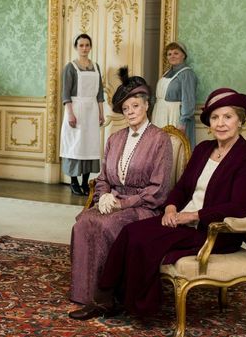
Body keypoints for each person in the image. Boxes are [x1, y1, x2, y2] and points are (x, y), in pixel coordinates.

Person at [71, 88, 246, 320]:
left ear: (240, 120)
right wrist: (171, 207)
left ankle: (138, 305)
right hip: (182, 220)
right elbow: (181, 188)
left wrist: (192, 216)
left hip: (214, 230)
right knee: (131, 232)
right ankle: (107, 298)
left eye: (227, 117)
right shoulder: (203, 149)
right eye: (215, 118)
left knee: (145, 242)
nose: (220, 123)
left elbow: (238, 207)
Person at [68, 68, 173, 315]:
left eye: (135, 106)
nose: (130, 112)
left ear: (146, 106)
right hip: (112, 201)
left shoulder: (160, 139)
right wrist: (104, 196)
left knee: (106, 226)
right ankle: (84, 294)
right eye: (126, 109)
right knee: (83, 222)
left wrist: (123, 204)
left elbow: (158, 189)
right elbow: (103, 178)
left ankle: (107, 297)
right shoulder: (114, 139)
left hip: (143, 208)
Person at [59, 33, 105, 196]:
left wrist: (101, 113)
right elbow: (66, 94)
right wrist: (70, 114)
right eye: (81, 45)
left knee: (89, 145)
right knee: (75, 145)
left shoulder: (96, 67)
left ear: (90, 47)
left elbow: (100, 93)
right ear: (76, 47)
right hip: (76, 109)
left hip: (92, 110)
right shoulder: (70, 67)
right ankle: (73, 182)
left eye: (87, 45)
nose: (84, 48)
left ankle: (85, 182)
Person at [151, 41, 198, 146]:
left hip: (174, 115)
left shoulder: (187, 74)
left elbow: (188, 100)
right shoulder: (167, 73)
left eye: (176, 53)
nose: (172, 56)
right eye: (169, 54)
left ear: (183, 55)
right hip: (160, 113)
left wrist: (183, 122)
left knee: (174, 147)